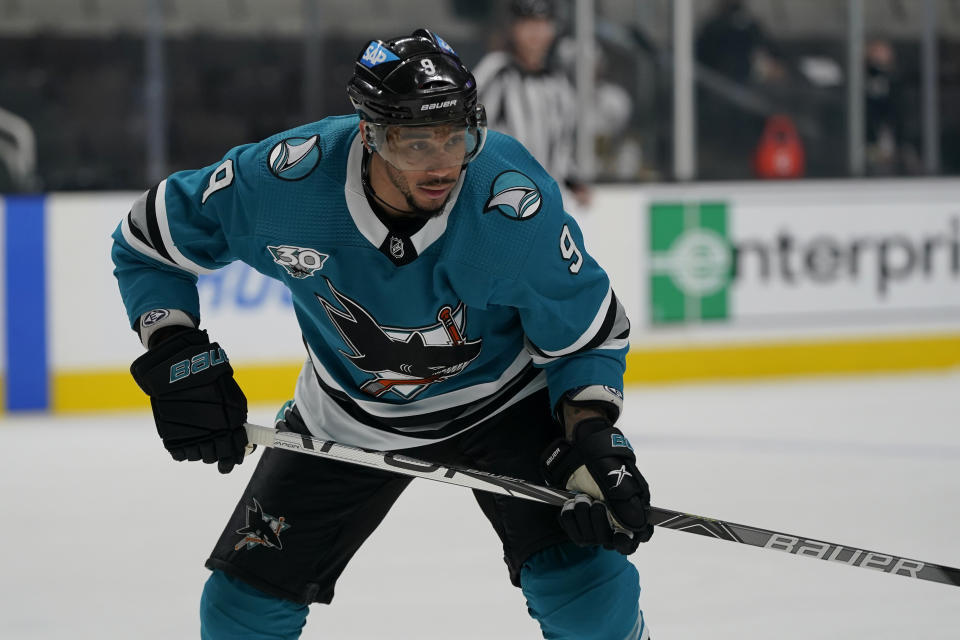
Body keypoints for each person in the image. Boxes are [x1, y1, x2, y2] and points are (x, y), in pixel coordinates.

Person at [112, 28, 652, 640]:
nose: (443, 163)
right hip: (349, 412)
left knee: (588, 599)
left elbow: (589, 336)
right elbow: (145, 244)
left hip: (508, 406)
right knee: (241, 611)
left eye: (457, 137)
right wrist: (175, 351)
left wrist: (592, 439)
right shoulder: (283, 183)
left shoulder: (509, 204)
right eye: (415, 140)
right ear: (368, 133)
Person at [472, 0, 592, 208]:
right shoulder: (495, 72)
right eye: (528, 24)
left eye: (543, 24)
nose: (536, 32)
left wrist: (574, 181)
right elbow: (471, 131)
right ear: (513, 28)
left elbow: (561, 146)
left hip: (547, 200)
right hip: (498, 197)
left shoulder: (558, 84)